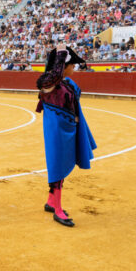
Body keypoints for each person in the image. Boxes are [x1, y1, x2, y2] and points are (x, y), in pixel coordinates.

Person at [36, 44, 96, 227]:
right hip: (56, 130)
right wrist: (61, 55)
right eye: (71, 65)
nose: (74, 68)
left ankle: (51, 202)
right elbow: (54, 77)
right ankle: (58, 209)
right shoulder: (48, 81)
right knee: (58, 165)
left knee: (60, 164)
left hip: (69, 128)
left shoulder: (67, 83)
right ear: (63, 66)